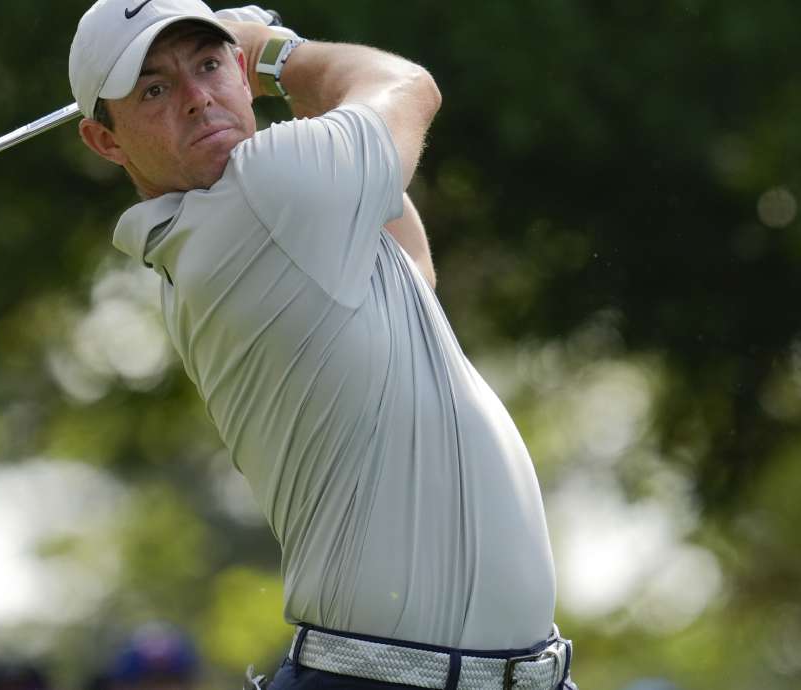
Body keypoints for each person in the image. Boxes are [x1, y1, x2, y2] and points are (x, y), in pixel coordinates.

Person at [68, 1, 576, 688]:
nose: (195, 99)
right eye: (154, 88)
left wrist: (266, 69)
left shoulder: (270, 214)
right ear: (105, 141)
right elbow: (407, 87)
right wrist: (277, 51)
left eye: (210, 65)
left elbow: (414, 268)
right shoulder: (258, 196)